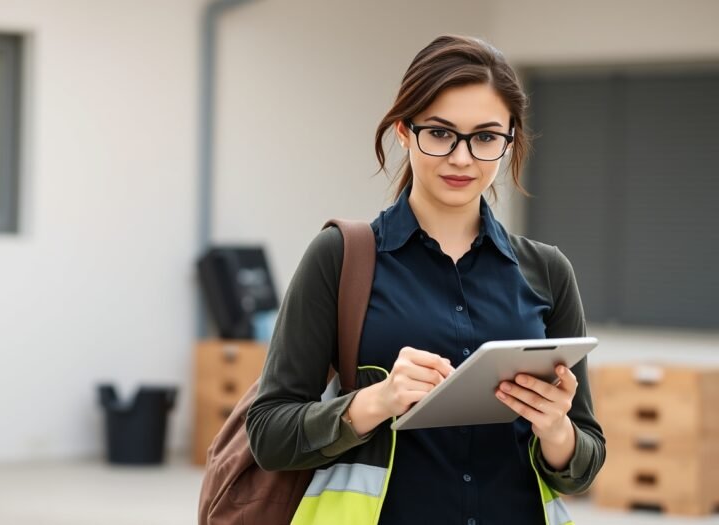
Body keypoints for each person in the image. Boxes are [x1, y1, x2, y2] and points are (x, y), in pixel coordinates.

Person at [246, 34, 605, 525]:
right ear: (402, 130)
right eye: (440, 133)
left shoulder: (547, 271)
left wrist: (555, 430)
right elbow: (269, 434)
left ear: (510, 140)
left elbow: (581, 468)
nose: (462, 158)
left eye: (485, 137)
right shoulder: (340, 257)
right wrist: (378, 401)